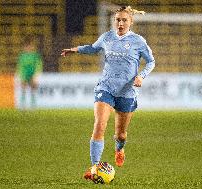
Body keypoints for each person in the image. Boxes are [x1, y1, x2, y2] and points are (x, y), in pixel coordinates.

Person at [61, 6, 155, 182]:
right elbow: (93, 48)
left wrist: (141, 76)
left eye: (124, 20)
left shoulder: (138, 41)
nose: (120, 23)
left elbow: (151, 61)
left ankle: (119, 149)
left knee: (121, 135)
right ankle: (95, 167)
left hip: (126, 93)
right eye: (118, 20)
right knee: (100, 124)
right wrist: (75, 49)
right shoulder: (107, 37)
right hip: (106, 88)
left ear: (131, 22)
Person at [16, 36, 43, 109]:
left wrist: (36, 74)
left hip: (32, 73)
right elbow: (20, 65)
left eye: (29, 46)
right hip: (24, 74)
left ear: (31, 47)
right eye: (26, 47)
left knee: (33, 89)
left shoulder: (35, 55)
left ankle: (33, 105)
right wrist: (20, 74)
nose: (28, 48)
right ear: (24, 47)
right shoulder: (22, 56)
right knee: (23, 89)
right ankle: (22, 105)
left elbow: (39, 64)